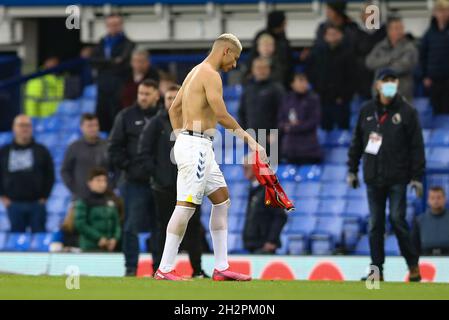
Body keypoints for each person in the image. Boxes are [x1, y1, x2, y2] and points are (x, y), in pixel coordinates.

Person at [154, 33, 267, 281]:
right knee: (185, 206)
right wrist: (252, 141)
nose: (235, 65)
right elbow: (222, 115)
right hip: (196, 146)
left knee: (222, 200)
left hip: (196, 144)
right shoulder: (211, 75)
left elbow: (174, 108)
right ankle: (164, 268)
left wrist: (179, 138)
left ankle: (221, 267)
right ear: (225, 51)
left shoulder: (195, 71)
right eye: (235, 58)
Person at [347, 69, 425, 282]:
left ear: (397, 83)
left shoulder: (408, 112)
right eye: (385, 81)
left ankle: (413, 266)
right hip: (373, 177)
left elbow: (417, 146)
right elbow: (357, 142)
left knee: (397, 220)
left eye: (393, 81)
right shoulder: (366, 110)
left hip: (398, 176)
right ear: (378, 85)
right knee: (375, 225)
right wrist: (352, 169)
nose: (389, 84)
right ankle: (376, 272)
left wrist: (417, 176)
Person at [138, 84, 209, 278]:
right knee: (162, 228)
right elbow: (144, 153)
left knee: (193, 227)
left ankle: (197, 270)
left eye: (174, 97)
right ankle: (158, 268)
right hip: (164, 187)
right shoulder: (155, 123)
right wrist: (158, 175)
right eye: (168, 98)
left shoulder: (194, 124)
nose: (171, 101)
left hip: (189, 185)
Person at [108, 79, 161, 277]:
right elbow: (114, 147)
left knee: (160, 227)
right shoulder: (126, 116)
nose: (143, 97)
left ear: (157, 94)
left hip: (159, 182)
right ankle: (130, 268)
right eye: (141, 93)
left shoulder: (165, 115)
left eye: (147, 94)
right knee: (131, 226)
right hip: (134, 182)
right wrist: (128, 167)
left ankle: (159, 268)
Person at [0, 115, 54, 233]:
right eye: (21, 125)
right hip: (13, 204)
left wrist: (45, 197)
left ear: (32, 128)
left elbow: (50, 175)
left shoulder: (42, 150)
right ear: (14, 128)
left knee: (39, 235)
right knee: (16, 240)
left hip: (37, 204)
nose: (24, 128)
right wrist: (3, 196)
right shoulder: (4, 151)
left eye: (27, 125)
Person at [90, 14, 135, 132]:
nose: (113, 27)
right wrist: (113, 61)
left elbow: (122, 63)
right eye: (110, 25)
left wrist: (104, 63)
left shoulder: (128, 44)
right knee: (102, 122)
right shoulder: (101, 42)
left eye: (116, 25)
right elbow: (93, 61)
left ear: (121, 25)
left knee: (118, 122)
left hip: (119, 89)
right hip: (103, 89)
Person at [306, 24, 355, 131]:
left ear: (341, 35)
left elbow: (352, 78)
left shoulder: (348, 54)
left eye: (335, 34)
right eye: (329, 34)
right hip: (323, 99)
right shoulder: (317, 53)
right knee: (325, 130)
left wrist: (344, 96)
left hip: (342, 101)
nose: (332, 37)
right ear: (325, 36)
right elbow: (311, 73)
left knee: (343, 131)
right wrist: (318, 90)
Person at [366, 15, 418, 102]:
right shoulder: (380, 46)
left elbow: (403, 66)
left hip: (401, 96)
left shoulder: (410, 47)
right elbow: (369, 62)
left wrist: (381, 67)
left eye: (401, 28)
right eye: (396, 28)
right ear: (389, 31)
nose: (400, 31)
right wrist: (389, 59)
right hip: (380, 96)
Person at [242, 155, 287, 254]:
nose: (243, 171)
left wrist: (271, 240)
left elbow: (280, 216)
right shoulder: (253, 190)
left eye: (246, 167)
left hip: (263, 247)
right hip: (252, 245)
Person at [238, 57, 284, 149]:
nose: (261, 71)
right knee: (252, 162)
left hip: (271, 139)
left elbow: (283, 113)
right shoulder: (248, 89)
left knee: (271, 162)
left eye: (264, 68)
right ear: (253, 70)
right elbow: (241, 112)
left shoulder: (277, 89)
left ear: (269, 70)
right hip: (252, 139)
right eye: (258, 68)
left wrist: (276, 132)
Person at [61, 113, 108, 200]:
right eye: (89, 126)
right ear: (81, 127)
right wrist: (76, 189)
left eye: (95, 125)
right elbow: (65, 171)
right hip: (80, 198)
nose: (93, 129)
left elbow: (117, 169)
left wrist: (110, 186)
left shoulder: (106, 146)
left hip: (104, 197)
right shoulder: (74, 147)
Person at [277, 73, 322, 164]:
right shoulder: (287, 99)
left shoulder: (313, 99)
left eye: (304, 81)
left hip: (309, 150)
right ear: (292, 84)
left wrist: (292, 127)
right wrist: (287, 126)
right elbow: (280, 120)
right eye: (299, 81)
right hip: (290, 150)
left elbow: (314, 121)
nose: (302, 84)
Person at [74, 167, 121, 252]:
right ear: (90, 183)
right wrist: (99, 238)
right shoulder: (84, 201)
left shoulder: (111, 201)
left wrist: (115, 239)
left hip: (110, 248)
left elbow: (117, 223)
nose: (102, 184)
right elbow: (80, 224)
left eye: (104, 180)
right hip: (89, 248)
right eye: (98, 180)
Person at [353, 1, 387, 100]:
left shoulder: (385, 34)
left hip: (382, 84)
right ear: (362, 16)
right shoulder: (355, 33)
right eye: (368, 13)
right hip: (360, 84)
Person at [420, 0, 449, 114]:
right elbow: (423, 55)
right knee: (436, 111)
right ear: (435, 13)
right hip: (434, 81)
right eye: (440, 10)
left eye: (446, 10)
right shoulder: (429, 33)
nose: (443, 13)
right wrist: (425, 76)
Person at [250, 11, 293, 86]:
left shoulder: (283, 38)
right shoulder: (261, 35)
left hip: (281, 80)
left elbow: (287, 61)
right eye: (265, 45)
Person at [412, 186, 449, 256]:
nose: (436, 201)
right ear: (428, 200)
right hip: (425, 260)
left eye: (439, 198)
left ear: (444, 199)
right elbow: (414, 245)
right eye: (432, 198)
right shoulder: (419, 220)